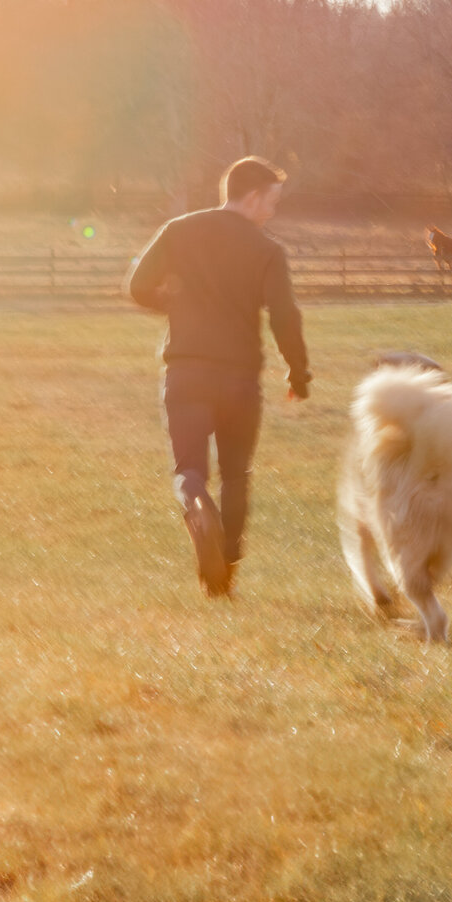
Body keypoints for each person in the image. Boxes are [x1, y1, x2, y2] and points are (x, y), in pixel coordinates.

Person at [126, 156, 311, 597]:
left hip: (186, 371)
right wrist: (298, 372)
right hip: (239, 380)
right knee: (235, 475)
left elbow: (137, 286)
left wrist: (171, 303)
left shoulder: (179, 230)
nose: (272, 212)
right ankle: (223, 573)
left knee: (189, 469)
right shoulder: (267, 250)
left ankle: (195, 503)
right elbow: (284, 315)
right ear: (251, 197)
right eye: (271, 202)